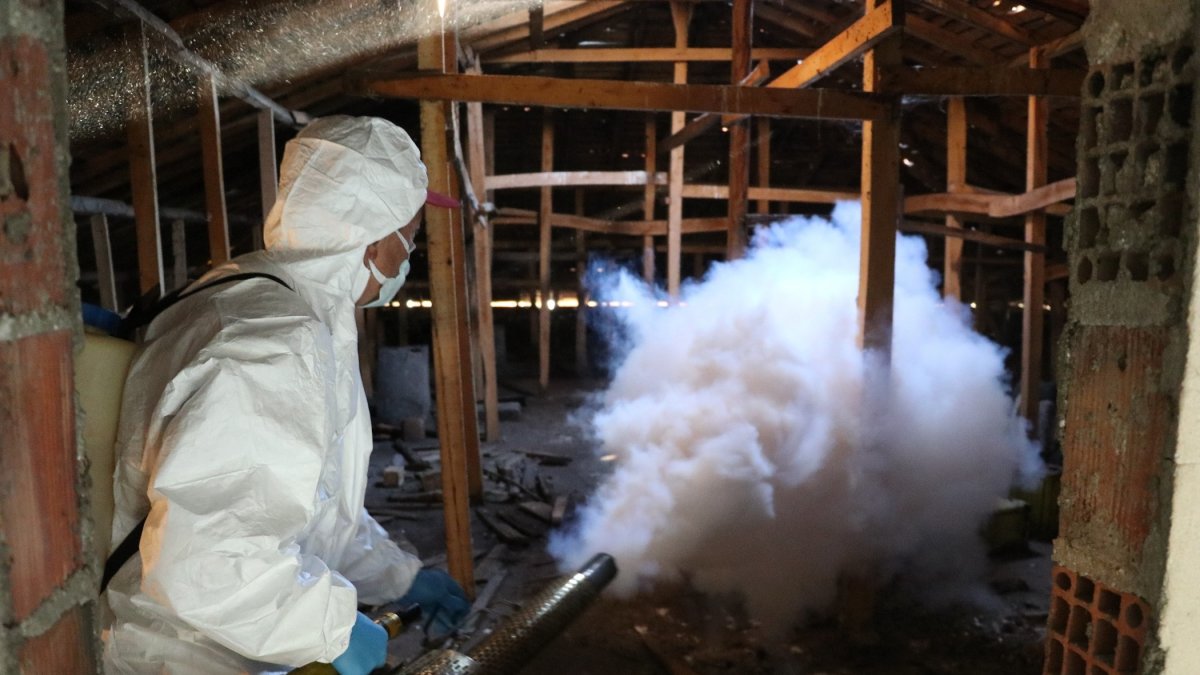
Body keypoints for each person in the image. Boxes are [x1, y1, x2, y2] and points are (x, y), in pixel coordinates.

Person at [103, 116, 469, 674]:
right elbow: (206, 561)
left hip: (222, 641)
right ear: (371, 235)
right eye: (410, 237)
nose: (408, 256)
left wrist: (402, 577)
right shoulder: (276, 346)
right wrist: (330, 628)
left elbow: (304, 510)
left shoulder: (258, 295)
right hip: (182, 655)